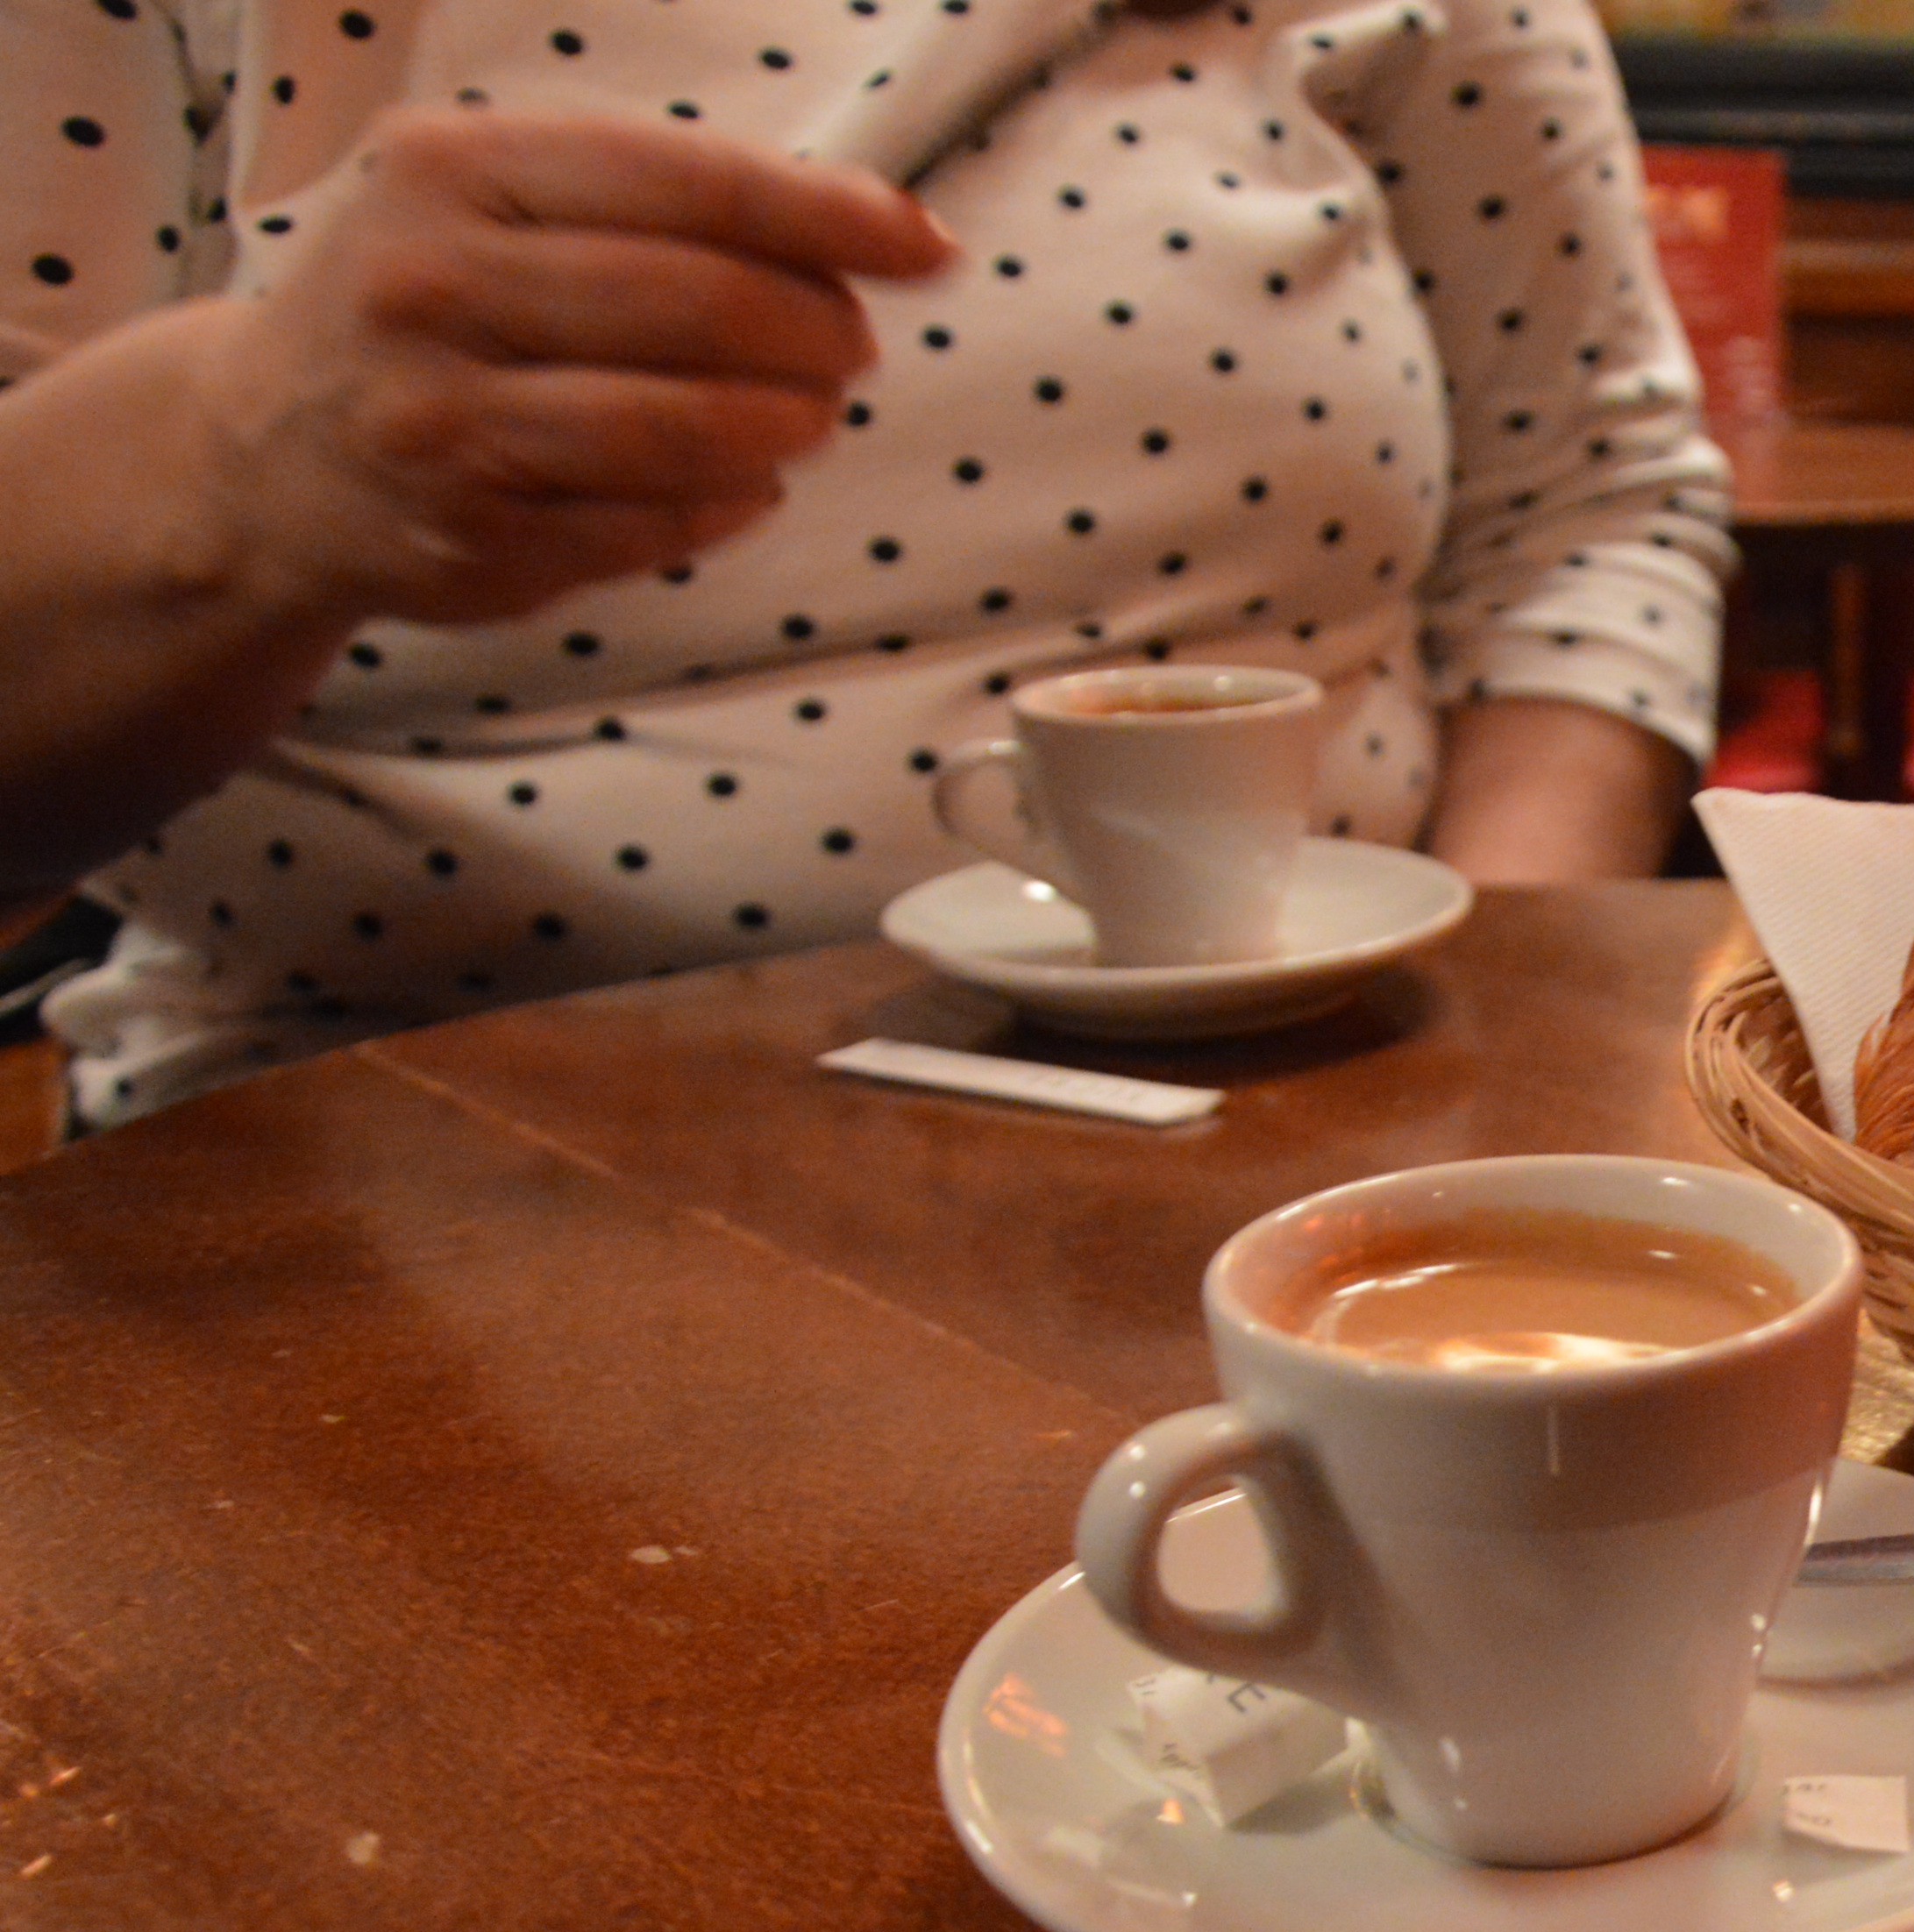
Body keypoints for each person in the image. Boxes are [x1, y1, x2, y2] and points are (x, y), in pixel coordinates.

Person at [0, 0, 1731, 1127]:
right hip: (368, 1150)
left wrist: (1483, 1059)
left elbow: (1588, 512)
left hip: (1312, 1115)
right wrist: (234, 466)